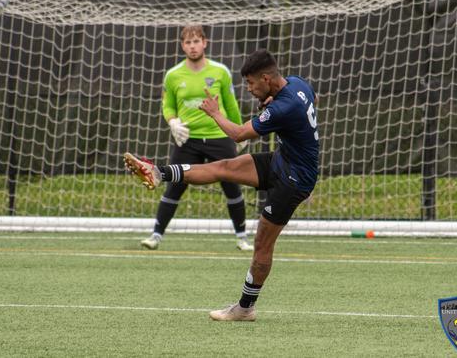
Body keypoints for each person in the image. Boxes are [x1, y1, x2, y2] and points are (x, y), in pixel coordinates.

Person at [124, 49, 319, 321]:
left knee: (262, 244)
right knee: (224, 167)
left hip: (294, 179)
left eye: (251, 83)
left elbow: (238, 134)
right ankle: (159, 173)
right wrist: (274, 102)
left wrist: (215, 113)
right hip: (283, 160)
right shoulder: (297, 84)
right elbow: (309, 100)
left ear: (266, 78)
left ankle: (245, 308)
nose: (248, 89)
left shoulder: (282, 108)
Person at [139, 25, 252, 252]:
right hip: (188, 140)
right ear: (183, 46)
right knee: (174, 187)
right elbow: (168, 106)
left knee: (232, 186)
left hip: (219, 137)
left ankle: (242, 238)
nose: (193, 46)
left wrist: (240, 132)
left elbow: (231, 105)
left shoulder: (220, 71)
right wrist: (173, 122)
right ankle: (156, 236)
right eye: (188, 42)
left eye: (196, 41)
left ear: (205, 43)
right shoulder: (173, 75)